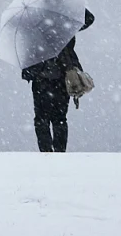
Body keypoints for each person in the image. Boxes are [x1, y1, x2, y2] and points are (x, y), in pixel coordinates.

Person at [21, 8, 94, 152]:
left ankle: (47, 153)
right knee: (57, 118)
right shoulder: (65, 23)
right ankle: (56, 153)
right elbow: (89, 19)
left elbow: (89, 18)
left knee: (44, 118)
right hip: (59, 76)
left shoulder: (37, 23)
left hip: (45, 77)